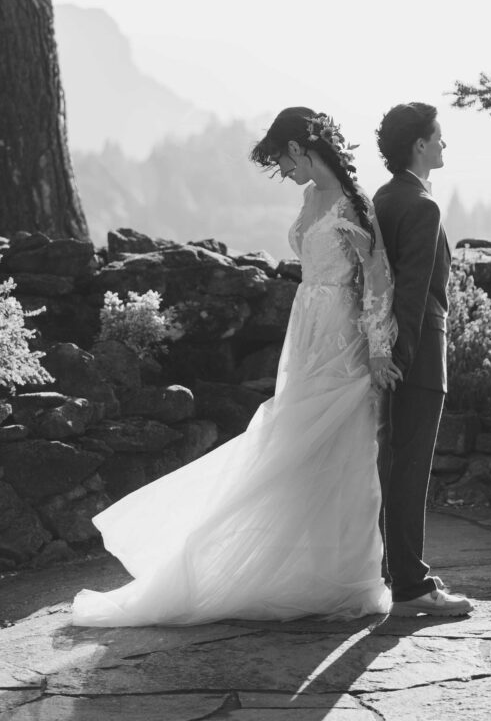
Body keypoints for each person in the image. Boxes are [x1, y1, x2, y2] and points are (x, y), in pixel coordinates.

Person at [72, 107, 400, 626]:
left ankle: (345, 577)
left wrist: (380, 347)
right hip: (307, 326)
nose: (285, 174)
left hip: (341, 335)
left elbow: (378, 277)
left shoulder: (352, 205)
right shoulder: (311, 196)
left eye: (282, 163)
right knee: (295, 447)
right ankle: (303, 572)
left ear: (298, 148)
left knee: (340, 449)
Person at [373, 103, 472, 617]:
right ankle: (411, 586)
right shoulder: (423, 206)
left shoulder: (383, 199)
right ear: (419, 145)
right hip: (415, 358)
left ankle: (395, 574)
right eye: (438, 137)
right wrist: (401, 359)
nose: (443, 145)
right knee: (409, 471)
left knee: (391, 467)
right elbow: (411, 294)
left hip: (383, 352)